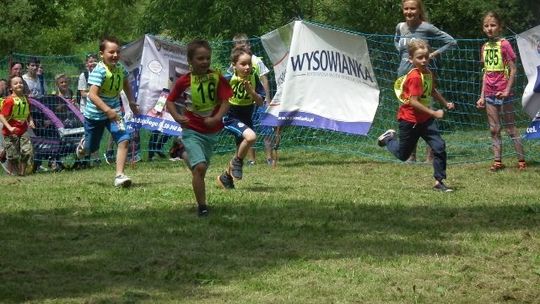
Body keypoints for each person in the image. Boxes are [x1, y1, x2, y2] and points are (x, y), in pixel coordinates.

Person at [166, 39, 233, 216]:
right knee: (200, 168)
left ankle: (181, 151)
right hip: (191, 130)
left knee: (200, 169)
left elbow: (226, 101)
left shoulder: (217, 77)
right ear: (190, 61)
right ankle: (202, 207)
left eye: (207, 58)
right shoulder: (183, 81)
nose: (204, 62)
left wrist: (217, 117)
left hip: (210, 132)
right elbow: (170, 102)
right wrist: (178, 117)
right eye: (200, 58)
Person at [378, 39, 455, 192]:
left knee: (439, 146)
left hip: (425, 121)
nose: (424, 60)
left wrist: (445, 103)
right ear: (411, 59)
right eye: (419, 57)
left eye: (426, 56)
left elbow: (432, 91)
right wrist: (433, 112)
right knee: (402, 155)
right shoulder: (414, 77)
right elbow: (413, 102)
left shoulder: (428, 73)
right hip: (410, 121)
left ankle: (439, 182)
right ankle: (388, 139)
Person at [395, 0, 457, 162]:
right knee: (409, 117)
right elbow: (397, 42)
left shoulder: (426, 27)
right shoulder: (400, 27)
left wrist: (431, 55)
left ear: (419, 10)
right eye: (406, 9)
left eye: (413, 9)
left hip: (422, 78)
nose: (409, 12)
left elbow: (451, 42)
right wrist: (404, 56)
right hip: (404, 78)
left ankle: (431, 154)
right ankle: (411, 155)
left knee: (427, 113)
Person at [75, 36, 139, 187]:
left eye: (118, 52)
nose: (115, 55)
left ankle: (119, 175)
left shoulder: (120, 69)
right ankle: (84, 145)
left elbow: (125, 84)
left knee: (124, 139)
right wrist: (107, 110)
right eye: (111, 52)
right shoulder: (99, 71)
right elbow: (92, 95)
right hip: (95, 116)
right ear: (101, 54)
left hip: (114, 113)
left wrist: (131, 102)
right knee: (92, 148)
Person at [476, 11, 526, 171]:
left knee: (510, 127)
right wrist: (481, 96)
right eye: (486, 26)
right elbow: (486, 73)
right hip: (489, 93)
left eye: (493, 25)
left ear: (499, 27)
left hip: (504, 93)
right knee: (494, 128)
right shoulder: (484, 47)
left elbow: (513, 69)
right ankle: (497, 161)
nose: (489, 28)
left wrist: (506, 90)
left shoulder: (504, 44)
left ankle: (521, 161)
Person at [217, 46, 265, 189]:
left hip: (246, 117)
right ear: (234, 65)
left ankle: (225, 177)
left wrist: (251, 92)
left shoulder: (254, 78)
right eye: (243, 64)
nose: (247, 67)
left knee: (241, 150)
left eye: (249, 63)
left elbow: (260, 102)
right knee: (251, 137)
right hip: (231, 117)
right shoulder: (227, 79)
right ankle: (237, 162)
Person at [231, 33, 273, 165]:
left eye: (244, 46)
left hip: (258, 100)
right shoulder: (235, 64)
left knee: (266, 128)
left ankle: (269, 158)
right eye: (238, 48)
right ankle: (251, 159)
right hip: (243, 104)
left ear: (248, 45)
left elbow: (264, 79)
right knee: (248, 131)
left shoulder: (256, 61)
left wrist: (267, 98)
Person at [0, 76, 35, 176]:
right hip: (10, 132)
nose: (19, 84)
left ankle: (22, 173)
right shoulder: (9, 101)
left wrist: (30, 120)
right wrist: (9, 127)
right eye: (15, 83)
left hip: (23, 130)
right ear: (11, 87)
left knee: (27, 151)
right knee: (13, 156)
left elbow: (27, 112)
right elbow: (2, 116)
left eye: (20, 83)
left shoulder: (25, 99)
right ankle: (6, 155)